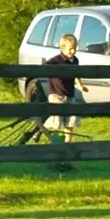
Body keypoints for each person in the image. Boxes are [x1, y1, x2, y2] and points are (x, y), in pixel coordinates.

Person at [42, 31, 84, 164]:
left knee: (71, 120)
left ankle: (67, 143)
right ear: (62, 48)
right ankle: (49, 138)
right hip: (57, 94)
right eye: (71, 48)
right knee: (56, 121)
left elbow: (77, 74)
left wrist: (81, 86)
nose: (73, 51)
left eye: (75, 48)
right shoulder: (56, 61)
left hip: (69, 93)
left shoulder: (75, 60)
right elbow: (44, 67)